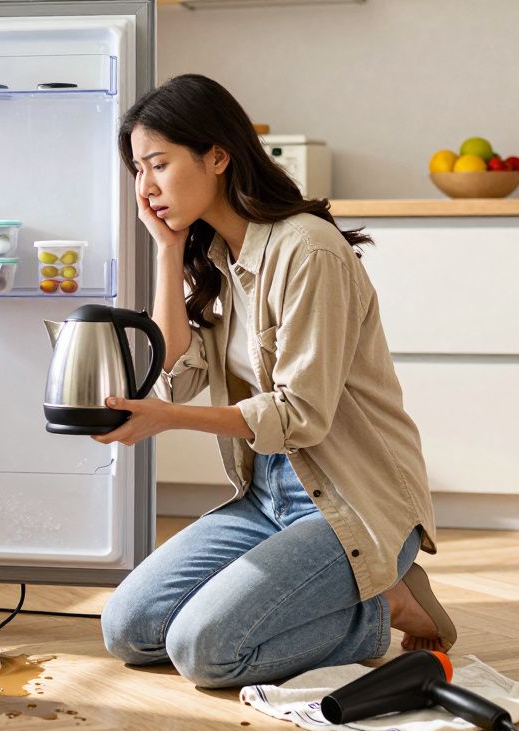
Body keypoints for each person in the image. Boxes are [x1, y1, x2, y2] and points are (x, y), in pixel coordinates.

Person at [94, 74, 457, 690]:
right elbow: (176, 377)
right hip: (267, 500)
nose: (145, 186)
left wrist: (166, 421)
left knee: (204, 652)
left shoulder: (307, 251)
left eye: (158, 164)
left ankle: (379, 605)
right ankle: (327, 594)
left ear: (217, 155)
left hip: (349, 507)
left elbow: (299, 416)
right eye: (136, 170)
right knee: (128, 629)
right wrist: (166, 250)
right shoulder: (216, 257)